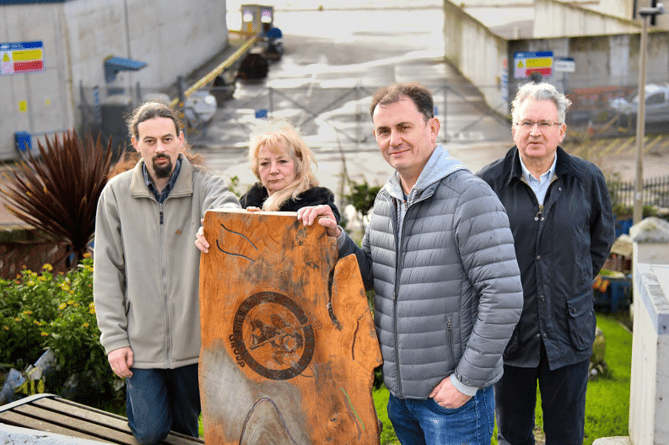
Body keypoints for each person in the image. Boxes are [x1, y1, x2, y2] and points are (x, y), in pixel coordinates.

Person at [298, 82, 524, 445]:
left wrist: (465, 381)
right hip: (402, 398)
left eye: (404, 128)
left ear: (432, 128)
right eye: (383, 131)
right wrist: (336, 237)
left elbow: (505, 296)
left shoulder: (470, 197)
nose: (393, 140)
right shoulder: (387, 200)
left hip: (453, 401)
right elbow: (373, 275)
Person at [93, 101, 240, 445]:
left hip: (194, 345)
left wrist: (215, 227)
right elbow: (106, 272)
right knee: (150, 432)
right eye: (150, 141)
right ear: (135, 144)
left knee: (185, 434)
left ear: (181, 140)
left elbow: (227, 207)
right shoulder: (115, 195)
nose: (159, 148)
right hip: (142, 347)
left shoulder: (205, 185)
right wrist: (115, 342)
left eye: (166, 138)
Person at [477, 82, 615, 445]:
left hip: (568, 331)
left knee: (566, 434)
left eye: (544, 123)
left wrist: (572, 280)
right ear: (514, 129)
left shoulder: (587, 179)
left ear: (561, 130)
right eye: (526, 123)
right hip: (510, 333)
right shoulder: (487, 184)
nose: (535, 132)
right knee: (513, 434)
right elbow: (474, 254)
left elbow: (600, 241)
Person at [195, 118, 340, 253]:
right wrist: (211, 236)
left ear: (298, 163)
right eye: (265, 163)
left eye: (282, 161)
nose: (273, 170)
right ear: (256, 168)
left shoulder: (317, 203)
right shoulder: (248, 202)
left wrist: (261, 226)